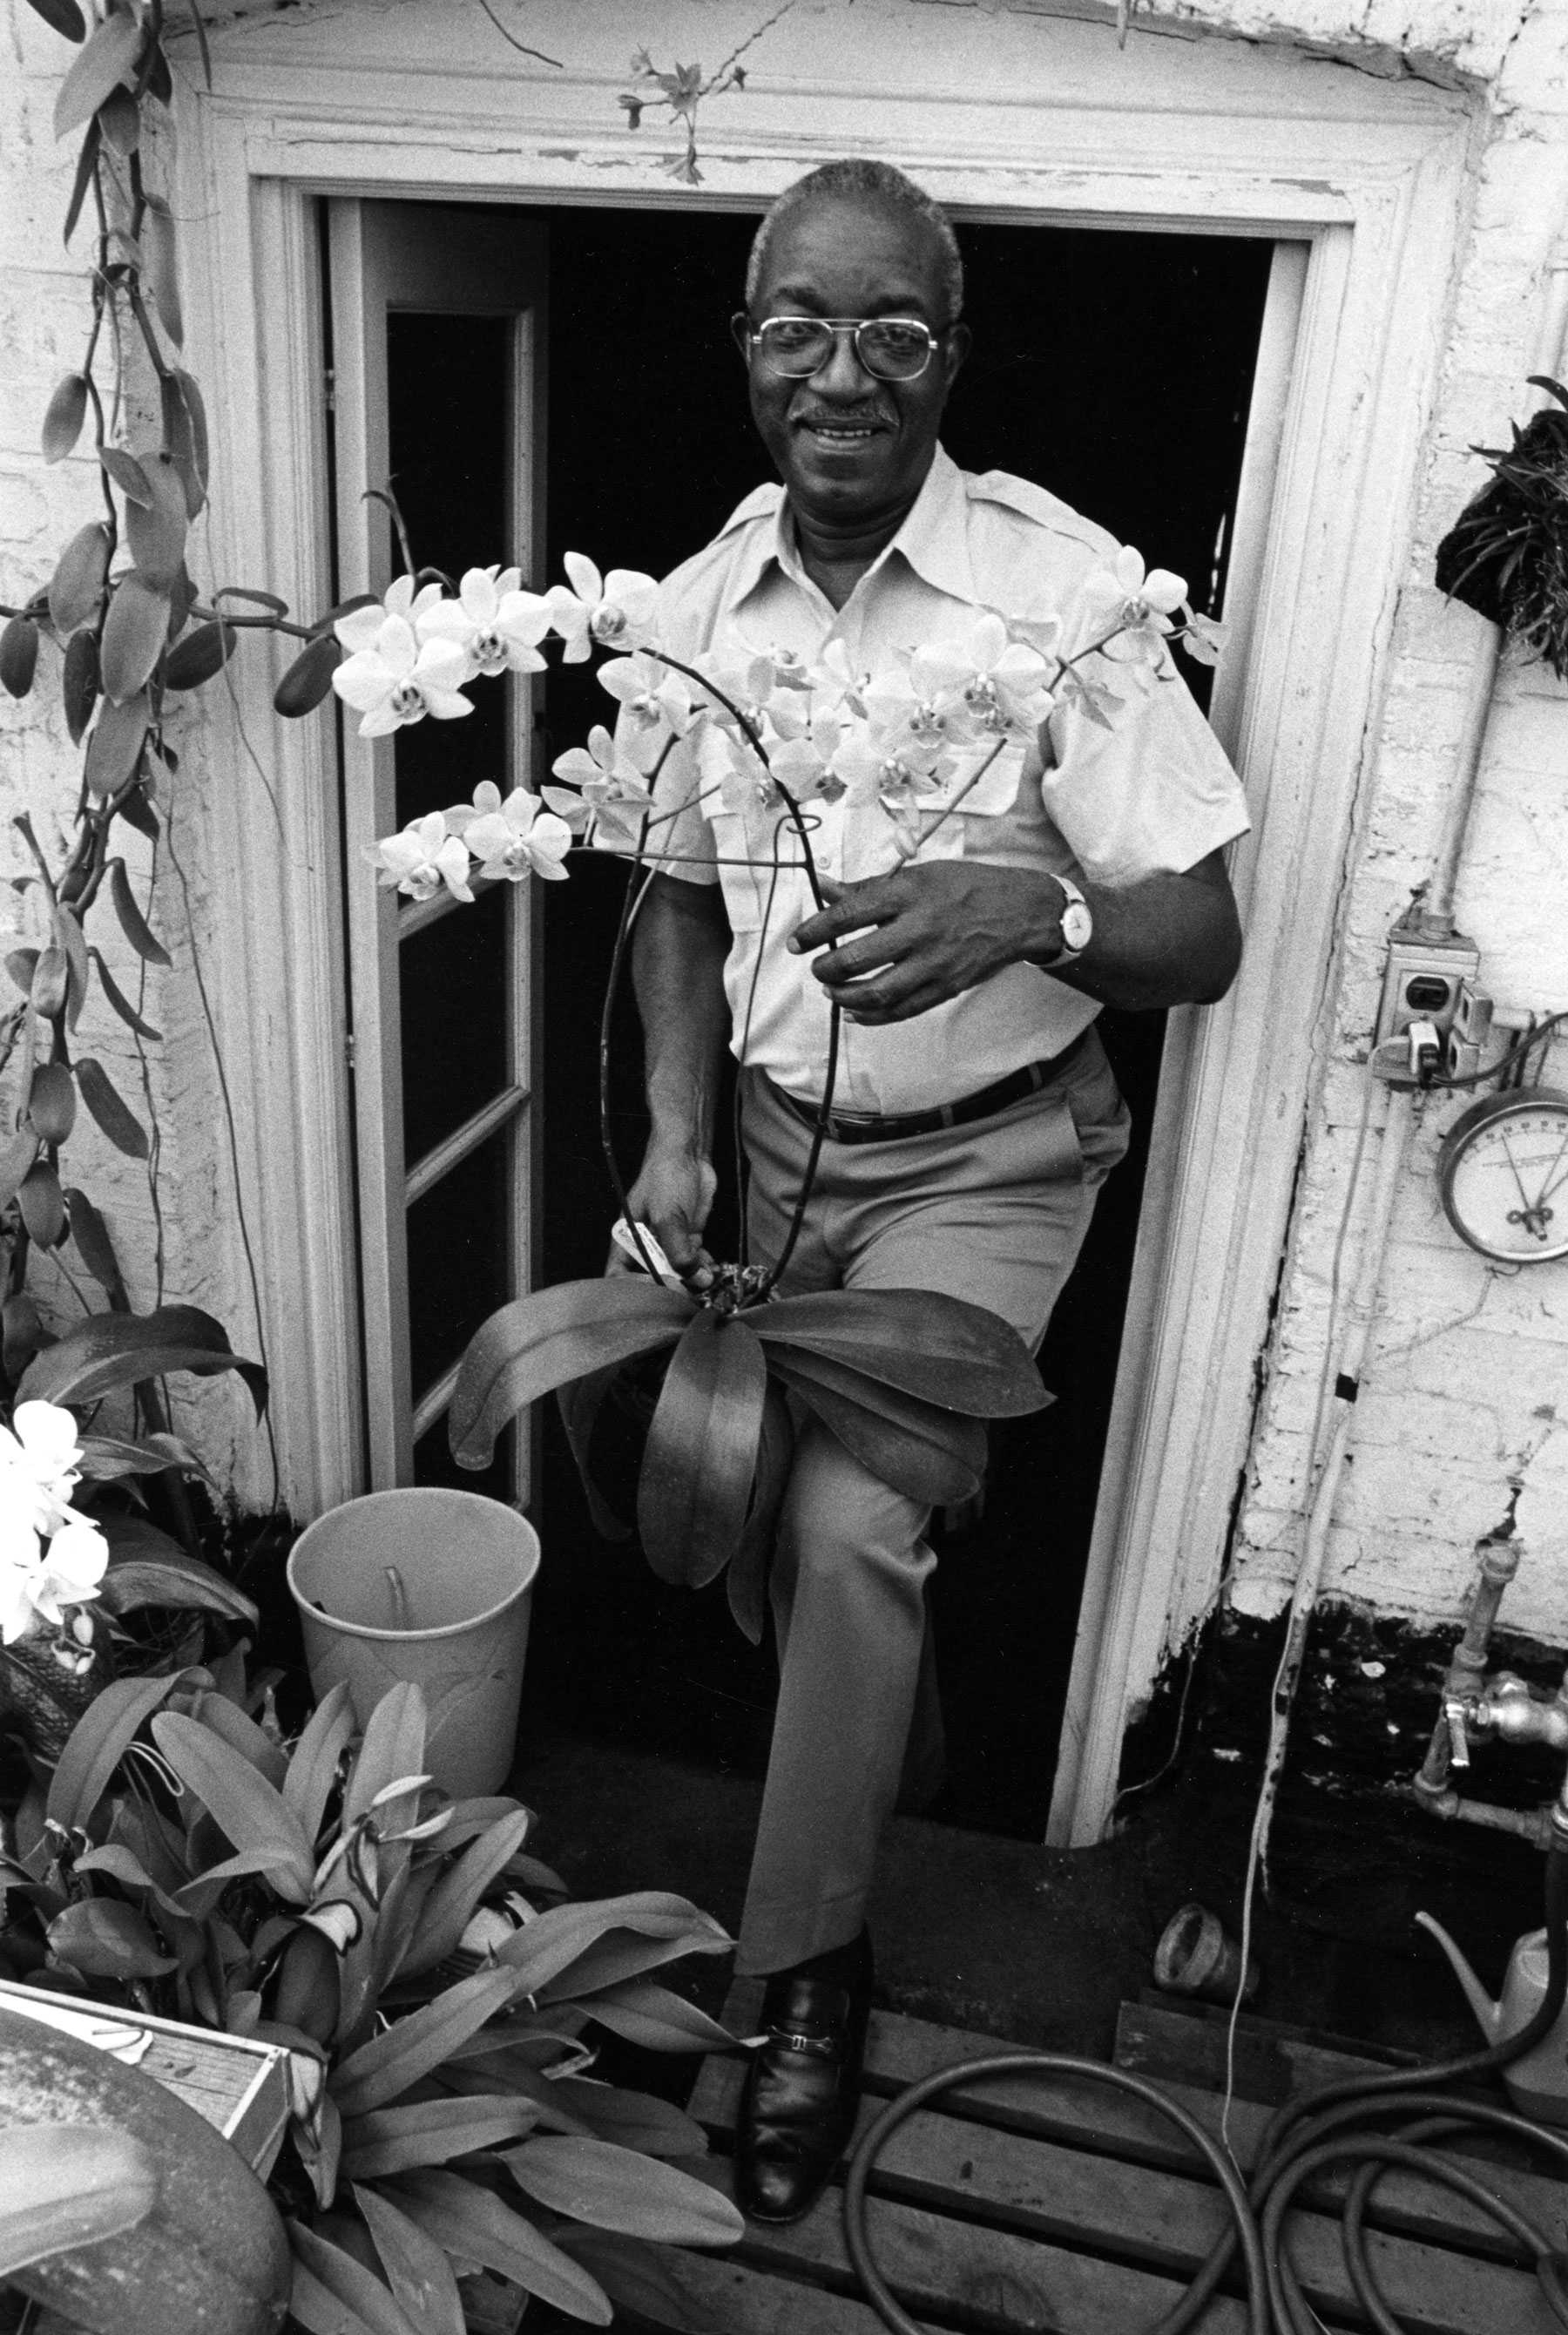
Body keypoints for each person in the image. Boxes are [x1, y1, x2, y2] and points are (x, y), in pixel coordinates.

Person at [619, 158, 1247, 2224]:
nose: (842, 372)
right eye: (797, 323)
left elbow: (1205, 934)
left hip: (991, 1162)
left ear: (953, 354)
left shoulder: (1069, 601)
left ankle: (800, 1978)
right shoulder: (694, 610)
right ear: (747, 346)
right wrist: (682, 1132)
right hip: (784, 1155)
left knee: (846, 1515)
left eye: (894, 330)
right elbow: (678, 909)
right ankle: (910, 1746)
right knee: (756, 1542)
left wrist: (1038, 902)